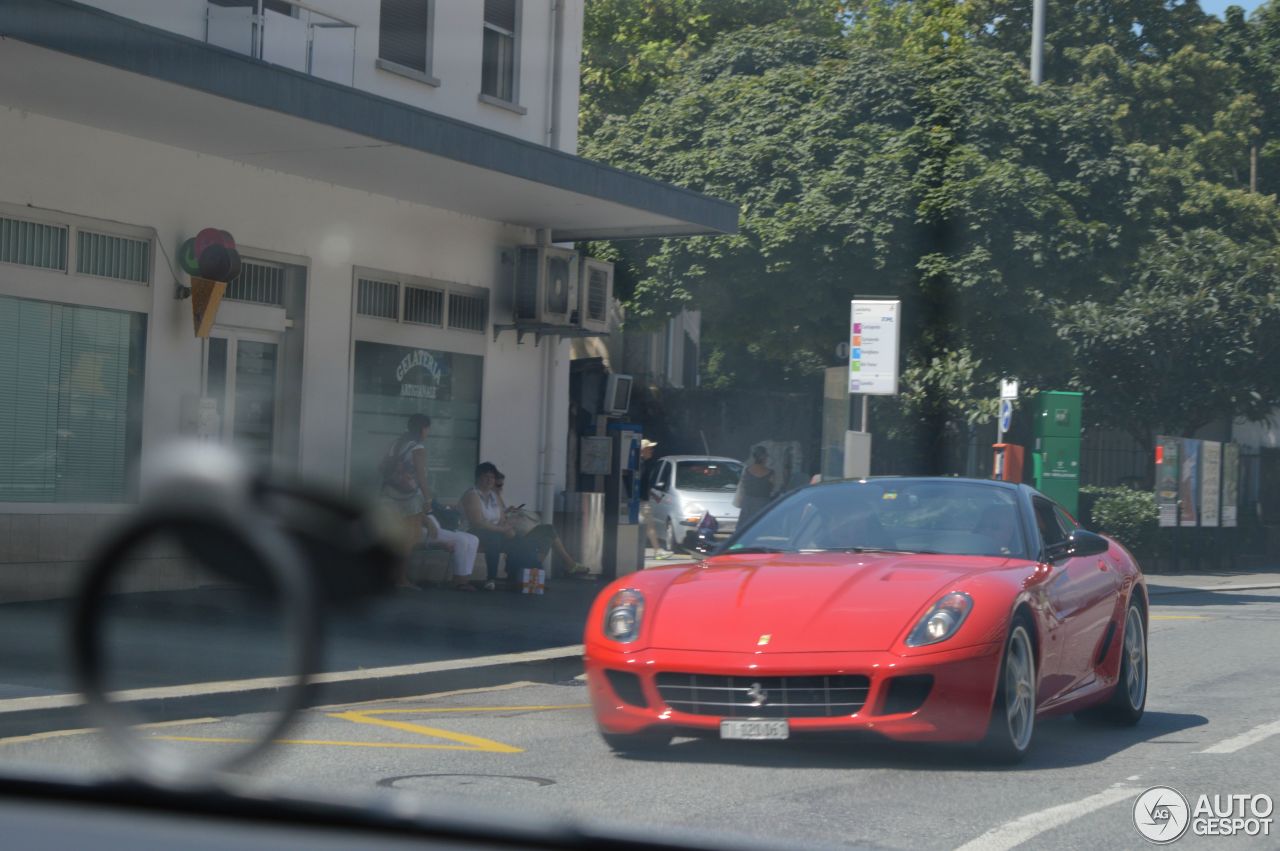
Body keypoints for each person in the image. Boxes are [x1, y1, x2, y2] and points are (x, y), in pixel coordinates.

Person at [460, 462, 542, 590]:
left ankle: (524, 579)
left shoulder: (494, 496)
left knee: (521, 541)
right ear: (478, 477)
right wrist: (501, 529)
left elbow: (502, 518)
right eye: (486, 476)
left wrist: (508, 528)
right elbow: (477, 522)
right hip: (472, 532)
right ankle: (491, 579)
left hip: (494, 531)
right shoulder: (472, 494)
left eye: (492, 477)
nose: (489, 480)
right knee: (494, 538)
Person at [494, 472, 590, 577]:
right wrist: (508, 517)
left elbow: (501, 514)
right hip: (509, 534)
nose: (501, 488)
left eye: (502, 485)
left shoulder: (496, 496)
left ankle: (534, 572)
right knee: (548, 530)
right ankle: (566, 565)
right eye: (498, 485)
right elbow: (495, 518)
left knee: (547, 537)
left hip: (516, 531)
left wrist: (509, 511)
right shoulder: (491, 498)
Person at [380, 413, 434, 589]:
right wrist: (428, 498)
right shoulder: (417, 448)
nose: (428, 432)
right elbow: (421, 476)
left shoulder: (396, 444)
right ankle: (401, 579)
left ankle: (386, 575)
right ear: (422, 428)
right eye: (427, 428)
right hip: (409, 497)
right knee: (410, 538)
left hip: (389, 493)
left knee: (391, 536)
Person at [419, 512, 482, 591]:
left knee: (474, 539)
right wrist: (428, 520)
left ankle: (465, 577)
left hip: (433, 524)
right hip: (421, 528)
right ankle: (460, 581)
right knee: (461, 541)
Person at [638, 438, 672, 559]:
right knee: (649, 526)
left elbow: (643, 485)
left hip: (642, 500)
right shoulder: (641, 465)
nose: (652, 451)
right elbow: (639, 484)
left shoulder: (641, 464)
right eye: (649, 448)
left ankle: (657, 550)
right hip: (642, 502)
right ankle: (657, 551)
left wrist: (653, 495)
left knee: (646, 526)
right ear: (642, 450)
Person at [734, 444, 778, 527]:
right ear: (763, 457)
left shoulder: (747, 471)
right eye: (766, 456)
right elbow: (774, 489)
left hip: (747, 505)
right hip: (763, 505)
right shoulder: (771, 473)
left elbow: (742, 488)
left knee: (744, 529)